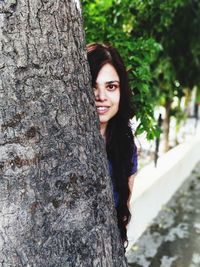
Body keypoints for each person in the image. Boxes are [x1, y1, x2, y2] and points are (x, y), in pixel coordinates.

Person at [87, 43, 138, 248]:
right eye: (92, 85)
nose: (101, 97)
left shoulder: (127, 147)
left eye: (111, 87)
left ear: (121, 90)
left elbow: (122, 212)